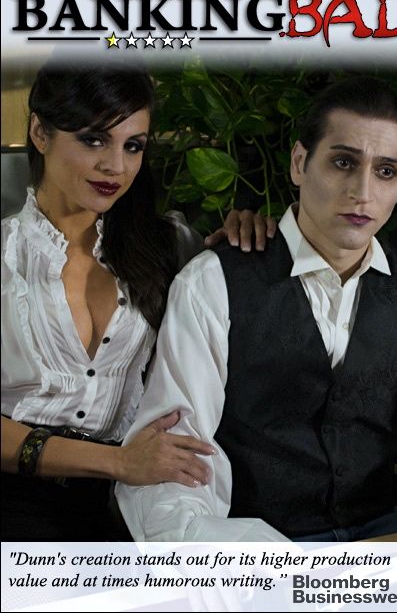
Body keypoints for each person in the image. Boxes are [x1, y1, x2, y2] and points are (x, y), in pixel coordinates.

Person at [116, 76, 397, 543]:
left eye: (385, 171)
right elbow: (176, 463)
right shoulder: (213, 282)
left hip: (388, 537)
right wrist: (268, 565)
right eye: (343, 162)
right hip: (259, 546)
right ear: (300, 163)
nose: (362, 192)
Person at [0, 54, 276, 542]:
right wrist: (118, 462)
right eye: (94, 140)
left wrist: (245, 235)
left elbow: (225, 303)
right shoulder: (4, 257)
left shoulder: (168, 245)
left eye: (133, 146)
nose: (116, 166)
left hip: (124, 503)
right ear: (40, 133)